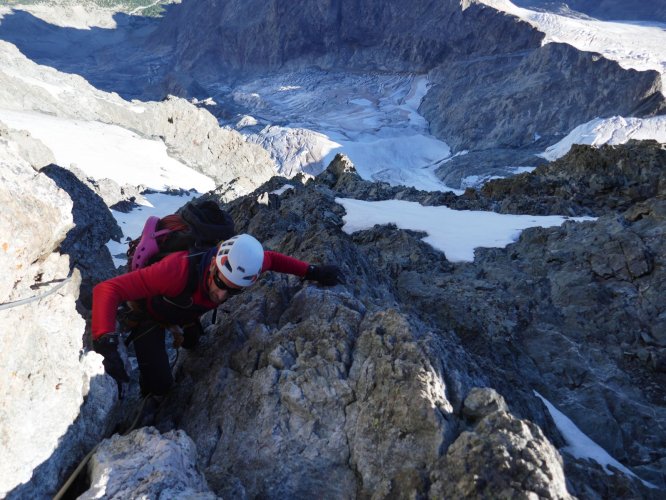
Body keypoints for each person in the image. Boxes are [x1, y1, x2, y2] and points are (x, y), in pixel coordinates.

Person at [91, 233, 342, 397]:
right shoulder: (175, 271)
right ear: (213, 265)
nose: (222, 295)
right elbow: (108, 289)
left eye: (233, 291)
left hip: (184, 312)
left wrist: (313, 272)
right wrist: (105, 341)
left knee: (194, 343)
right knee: (160, 388)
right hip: (150, 315)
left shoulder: (243, 267)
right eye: (220, 284)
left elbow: (273, 259)